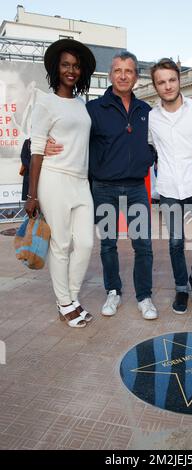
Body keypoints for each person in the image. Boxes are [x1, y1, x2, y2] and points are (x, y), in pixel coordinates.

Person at [25, 39, 96, 328]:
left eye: (76, 66)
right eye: (66, 64)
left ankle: (73, 297)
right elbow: (37, 149)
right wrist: (32, 195)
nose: (71, 70)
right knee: (61, 243)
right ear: (56, 68)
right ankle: (65, 302)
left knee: (86, 243)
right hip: (54, 179)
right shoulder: (45, 100)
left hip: (80, 181)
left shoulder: (81, 104)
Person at [87, 52, 158, 320]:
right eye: (118, 70)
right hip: (103, 187)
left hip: (136, 188)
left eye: (129, 71)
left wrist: (147, 157)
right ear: (110, 74)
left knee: (143, 244)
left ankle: (144, 296)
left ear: (136, 77)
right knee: (108, 245)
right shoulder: (94, 109)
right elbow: (76, 140)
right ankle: (113, 291)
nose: (123, 75)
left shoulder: (145, 111)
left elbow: (156, 144)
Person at [148, 58, 192, 314]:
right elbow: (145, 146)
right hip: (168, 187)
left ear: (179, 79)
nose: (167, 86)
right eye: (161, 82)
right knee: (176, 242)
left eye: (171, 80)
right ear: (155, 86)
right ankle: (181, 288)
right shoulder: (151, 117)